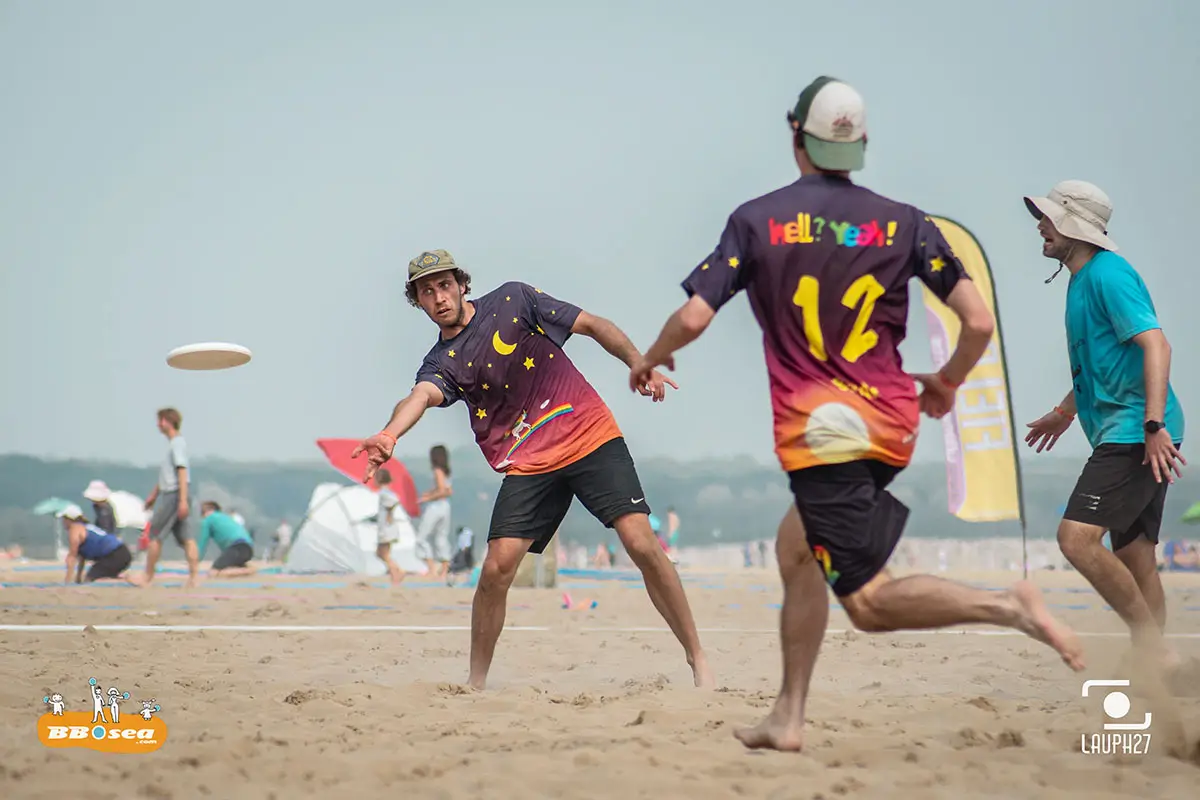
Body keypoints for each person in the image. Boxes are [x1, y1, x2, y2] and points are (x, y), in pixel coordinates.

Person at [630, 76, 1084, 751]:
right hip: (891, 421)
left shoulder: (758, 220)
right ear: (861, 143)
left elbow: (694, 317)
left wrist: (651, 357)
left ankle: (1008, 605)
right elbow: (978, 322)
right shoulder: (906, 222)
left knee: (868, 604)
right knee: (796, 550)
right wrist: (948, 382)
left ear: (796, 135)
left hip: (826, 433)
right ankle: (788, 716)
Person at [351, 249, 714, 690]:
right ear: (419, 302)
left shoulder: (514, 300)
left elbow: (592, 324)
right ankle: (476, 683)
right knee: (495, 569)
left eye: (444, 285)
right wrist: (390, 434)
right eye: (427, 292)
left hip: (588, 434)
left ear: (461, 285)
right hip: (529, 462)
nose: (439, 297)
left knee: (640, 543)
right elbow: (421, 396)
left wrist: (637, 361)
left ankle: (697, 658)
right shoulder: (441, 361)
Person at [1022, 180, 1185, 669]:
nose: (1040, 226)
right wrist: (1065, 411)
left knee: (1075, 539)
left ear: (1075, 227)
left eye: (1049, 219)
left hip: (1138, 432)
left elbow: (1157, 345)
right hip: (1131, 427)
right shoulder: (1081, 280)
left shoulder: (1109, 275)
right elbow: (1101, 364)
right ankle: (1154, 665)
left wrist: (1152, 425)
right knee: (1135, 555)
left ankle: (1156, 652)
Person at [143, 407, 200, 587]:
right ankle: (194, 578)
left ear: (168, 422)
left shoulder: (177, 444)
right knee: (186, 537)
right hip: (175, 493)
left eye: (160, 421)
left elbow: (181, 472)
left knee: (155, 535)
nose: (158, 425)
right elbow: (167, 476)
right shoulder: (175, 445)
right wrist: (153, 495)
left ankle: (147, 577)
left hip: (175, 495)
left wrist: (182, 500)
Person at [59, 505, 143, 586]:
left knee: (91, 580)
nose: (63, 522)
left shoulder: (74, 529)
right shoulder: (86, 527)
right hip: (122, 552)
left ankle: (127, 580)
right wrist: (78, 578)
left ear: (69, 519)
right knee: (95, 576)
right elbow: (81, 556)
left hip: (114, 555)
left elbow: (72, 557)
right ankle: (124, 579)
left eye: (64, 519)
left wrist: (67, 582)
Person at [416, 445, 453, 578]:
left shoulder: (437, 471)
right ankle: (444, 568)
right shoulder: (447, 472)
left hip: (436, 506)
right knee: (441, 537)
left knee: (421, 537)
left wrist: (427, 498)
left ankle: (431, 567)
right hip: (445, 506)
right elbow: (448, 490)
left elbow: (442, 490)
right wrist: (430, 493)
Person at [196, 501, 257, 578]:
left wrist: (195, 561)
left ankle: (249, 570)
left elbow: (203, 542)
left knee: (213, 572)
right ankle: (244, 568)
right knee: (229, 565)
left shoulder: (208, 520)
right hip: (248, 549)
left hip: (237, 547)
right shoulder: (226, 517)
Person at [374, 469, 406, 585]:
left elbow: (393, 501)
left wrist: (389, 511)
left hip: (386, 528)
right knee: (382, 553)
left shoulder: (384, 492)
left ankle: (397, 572)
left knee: (383, 554)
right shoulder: (387, 492)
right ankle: (395, 574)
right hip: (388, 527)